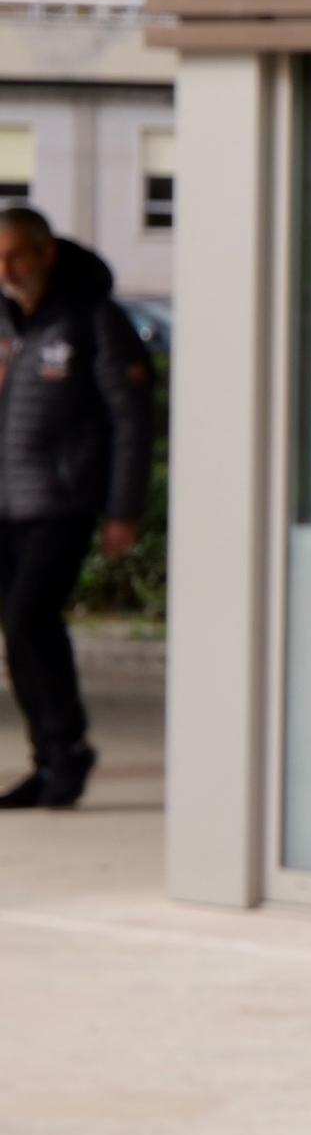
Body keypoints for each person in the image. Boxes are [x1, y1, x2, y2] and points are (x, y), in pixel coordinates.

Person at [0, 202, 149, 812]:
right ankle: (50, 760)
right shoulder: (8, 322)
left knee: (29, 617)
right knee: (19, 633)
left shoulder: (92, 318)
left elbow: (131, 418)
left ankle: (68, 750)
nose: (8, 270)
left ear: (47, 254)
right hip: (8, 502)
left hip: (64, 499)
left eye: (18, 256)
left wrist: (124, 508)